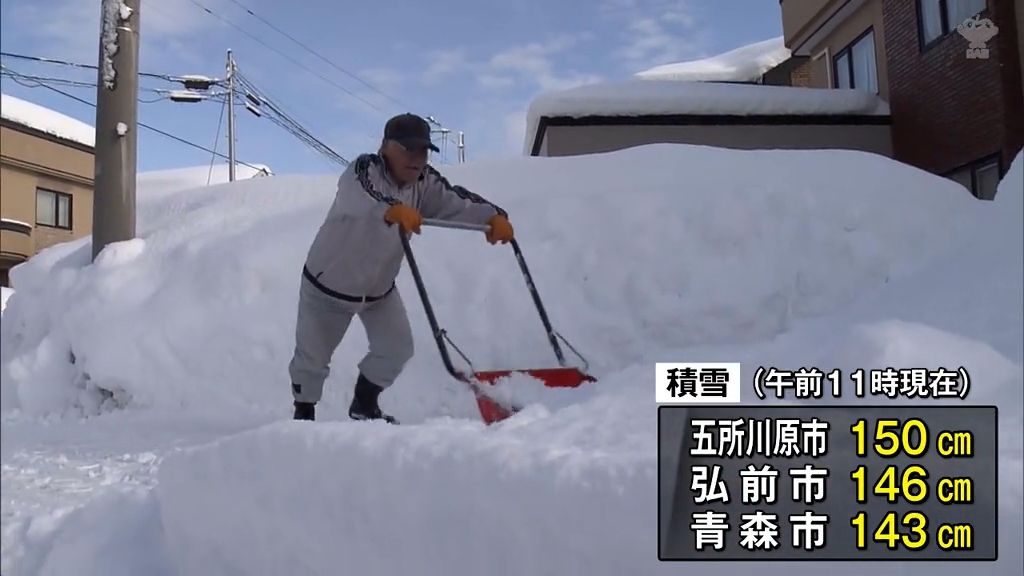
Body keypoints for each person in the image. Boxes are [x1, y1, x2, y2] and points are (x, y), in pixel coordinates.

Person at [288, 113, 513, 423]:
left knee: (396, 348)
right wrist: (390, 209)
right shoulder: (364, 170)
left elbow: (456, 201)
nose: (416, 158)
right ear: (385, 148)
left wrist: (493, 217)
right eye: (407, 149)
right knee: (312, 360)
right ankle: (303, 417)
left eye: (422, 151)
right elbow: (361, 197)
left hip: (378, 290)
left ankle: (364, 406)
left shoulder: (424, 183)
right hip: (328, 287)